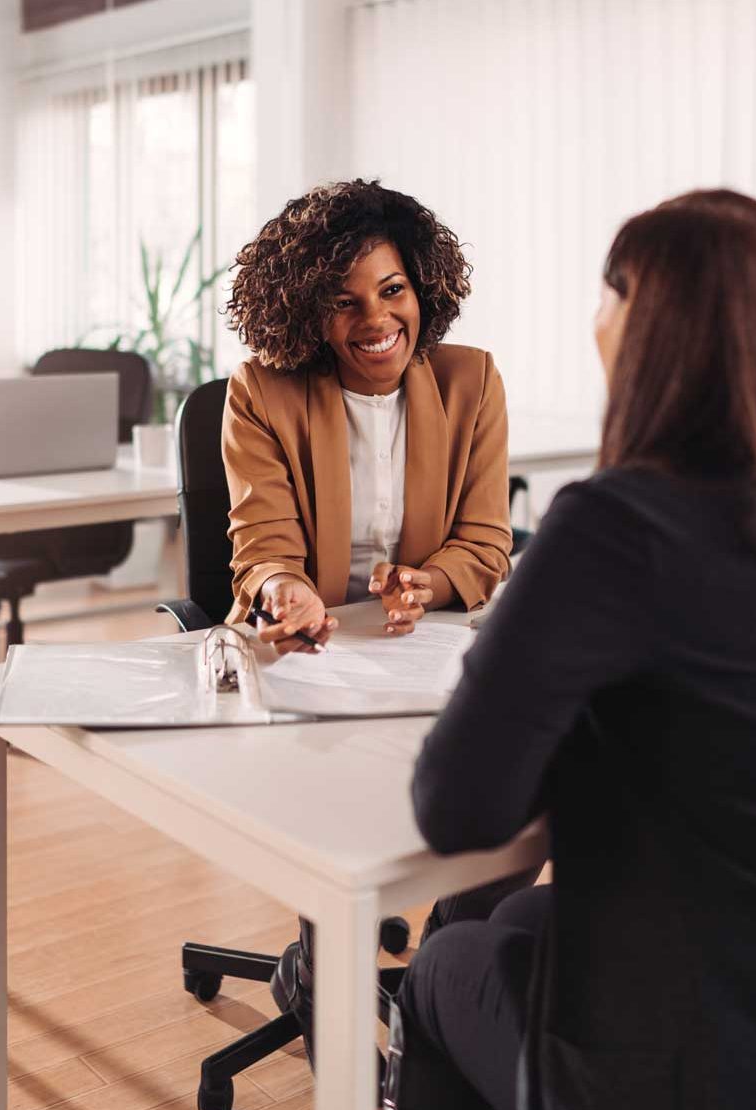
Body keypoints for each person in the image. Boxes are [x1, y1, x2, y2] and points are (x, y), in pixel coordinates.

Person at [384, 189, 756, 1110]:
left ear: (649, 327)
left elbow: (458, 804)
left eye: (606, 293)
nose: (594, 320)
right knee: (511, 929)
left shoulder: (616, 524)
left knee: (436, 975)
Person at [222, 179, 532, 1063]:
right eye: (342, 300)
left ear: (421, 290)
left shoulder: (469, 380)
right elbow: (261, 546)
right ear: (305, 313)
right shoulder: (263, 390)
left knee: (513, 790)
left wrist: (425, 585)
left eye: (390, 290)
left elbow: (483, 543)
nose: (373, 320)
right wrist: (288, 591)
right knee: (328, 783)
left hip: (423, 650)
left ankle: (437, 976)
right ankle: (323, 981)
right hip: (314, 653)